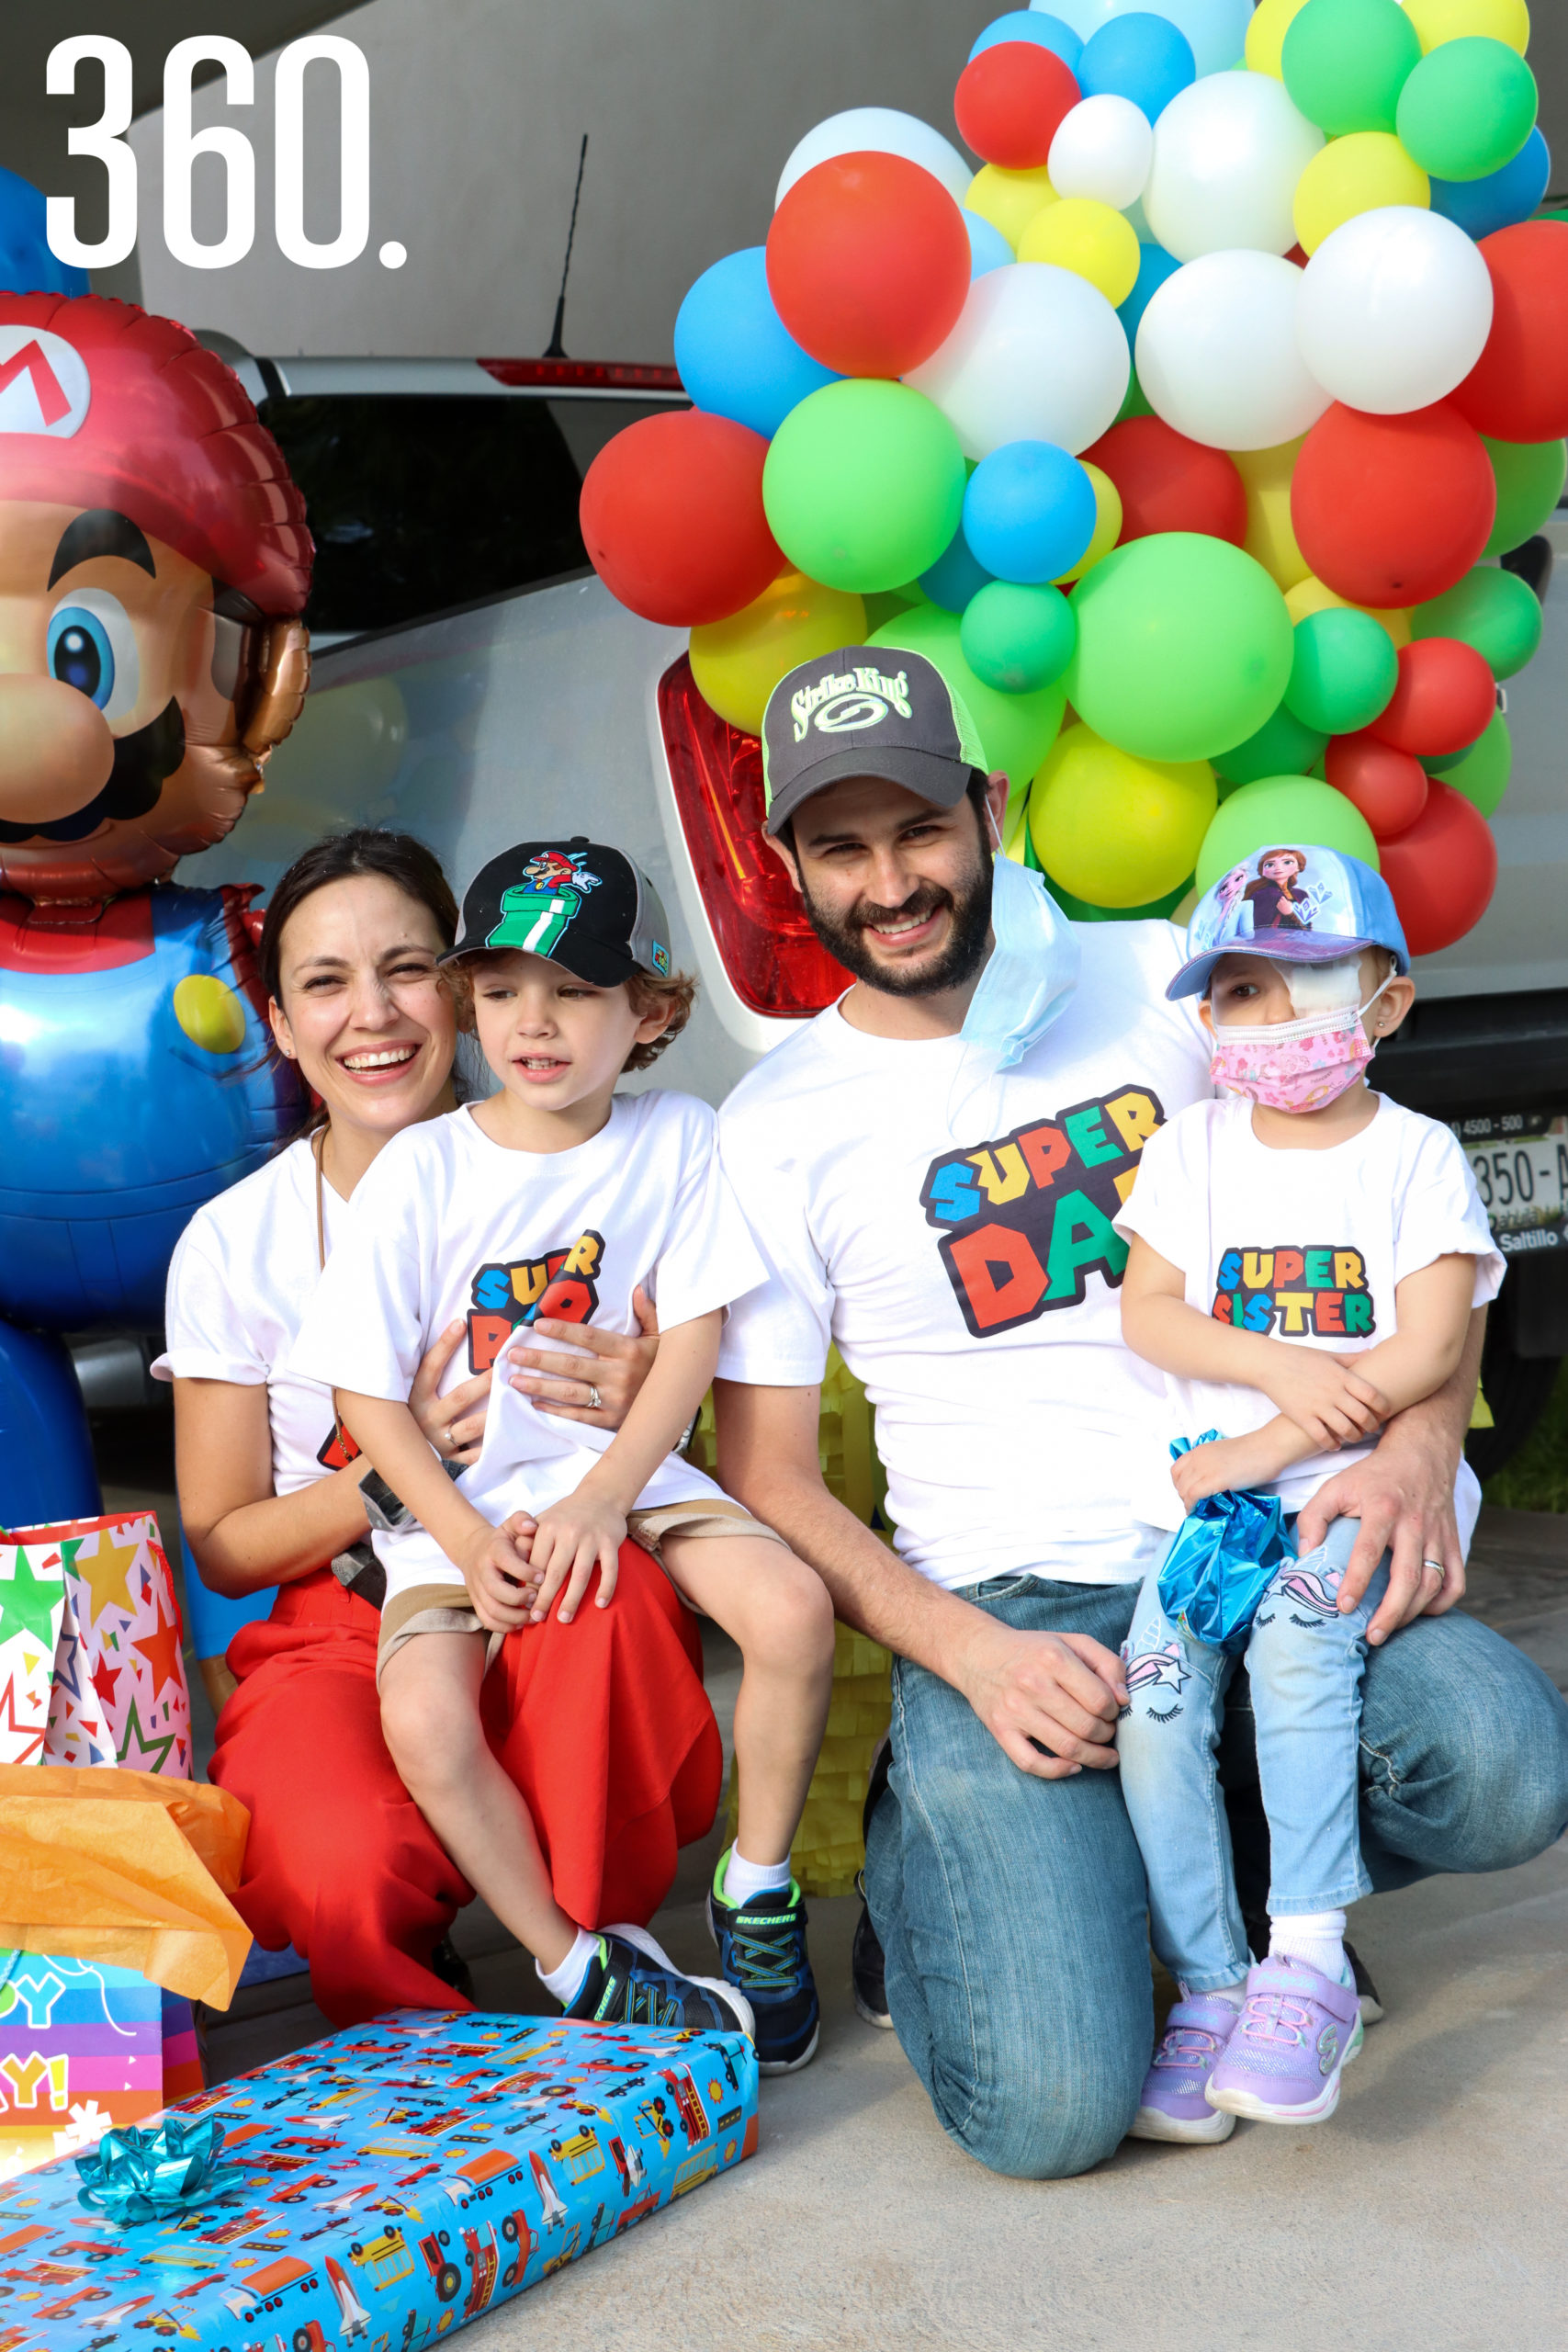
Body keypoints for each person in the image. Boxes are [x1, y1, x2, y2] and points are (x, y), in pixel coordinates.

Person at [710, 644, 1568, 2180]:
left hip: (1258, 1533)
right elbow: (768, 1471)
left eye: (919, 830)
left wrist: (1425, 1449)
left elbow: (1406, 1206)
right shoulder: (776, 1127)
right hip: (1016, 1599)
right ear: (789, 868)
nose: (891, 882)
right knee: (1052, 2111)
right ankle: (949, 1878)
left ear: (988, 809)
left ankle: (1231, 1907)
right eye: (839, 847)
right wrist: (971, 1654)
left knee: (1506, 1765)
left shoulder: (1168, 978)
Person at [290, 838, 835, 2070]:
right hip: (459, 1505)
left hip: (626, 1477)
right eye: (500, 990)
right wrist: (471, 1541)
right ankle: (575, 1962)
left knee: (794, 1612)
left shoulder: (680, 1135)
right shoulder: (424, 1167)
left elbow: (691, 1337)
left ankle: (755, 1893)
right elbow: (367, 1399)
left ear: (649, 1010)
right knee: (426, 1722)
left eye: (577, 991)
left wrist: (604, 1499)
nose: (534, 1023)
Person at [161, 828, 720, 2028]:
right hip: (344, 1613)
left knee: (603, 1602)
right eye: (324, 981)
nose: (374, 1014)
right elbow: (223, 1545)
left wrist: (635, 1392)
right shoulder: (233, 1241)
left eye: (406, 968)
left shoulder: (603, 1155)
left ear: (463, 988)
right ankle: (421, 2023)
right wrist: (395, 1471)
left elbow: (702, 1456)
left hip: (550, 1569)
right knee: (332, 1866)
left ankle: (595, 1958)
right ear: (280, 1021)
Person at [1114, 848, 1503, 2141]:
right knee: (1156, 1708)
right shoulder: (1194, 1149)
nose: (1268, 1018)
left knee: (1293, 1645)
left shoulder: (1417, 1155)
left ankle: (1310, 1958)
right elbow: (1152, 1310)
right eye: (1236, 992)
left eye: (1302, 981)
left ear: (1387, 1002)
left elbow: (1430, 1344)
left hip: (1346, 1503)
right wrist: (1278, 1366)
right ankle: (1214, 1986)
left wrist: (1271, 1437)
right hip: (1213, 1516)